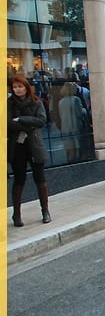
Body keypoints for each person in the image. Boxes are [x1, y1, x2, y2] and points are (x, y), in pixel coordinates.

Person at [7, 76, 51, 226]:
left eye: (20, 86)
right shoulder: (9, 104)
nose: (17, 89)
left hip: (34, 146)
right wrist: (29, 125)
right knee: (19, 180)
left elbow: (41, 121)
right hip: (17, 146)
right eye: (15, 87)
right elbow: (7, 124)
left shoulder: (36, 102)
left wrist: (20, 120)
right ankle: (16, 214)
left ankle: (45, 211)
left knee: (40, 179)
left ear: (26, 87)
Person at [58, 81, 85, 162]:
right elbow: (80, 113)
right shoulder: (76, 99)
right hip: (75, 125)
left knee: (69, 148)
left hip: (65, 127)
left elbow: (60, 115)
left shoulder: (61, 102)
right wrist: (84, 110)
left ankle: (70, 161)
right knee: (78, 147)